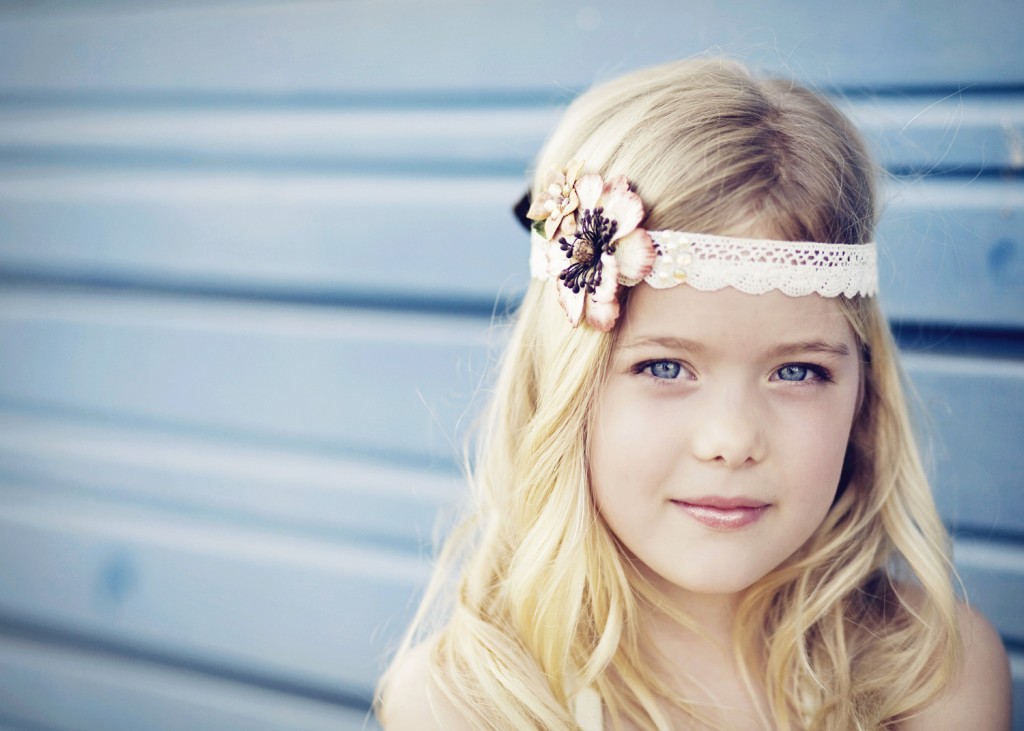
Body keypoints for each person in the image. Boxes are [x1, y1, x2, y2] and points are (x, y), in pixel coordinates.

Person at [375, 57, 1011, 730]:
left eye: (796, 371)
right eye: (665, 368)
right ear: (563, 385)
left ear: (863, 391)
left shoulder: (936, 676)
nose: (732, 440)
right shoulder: (464, 704)